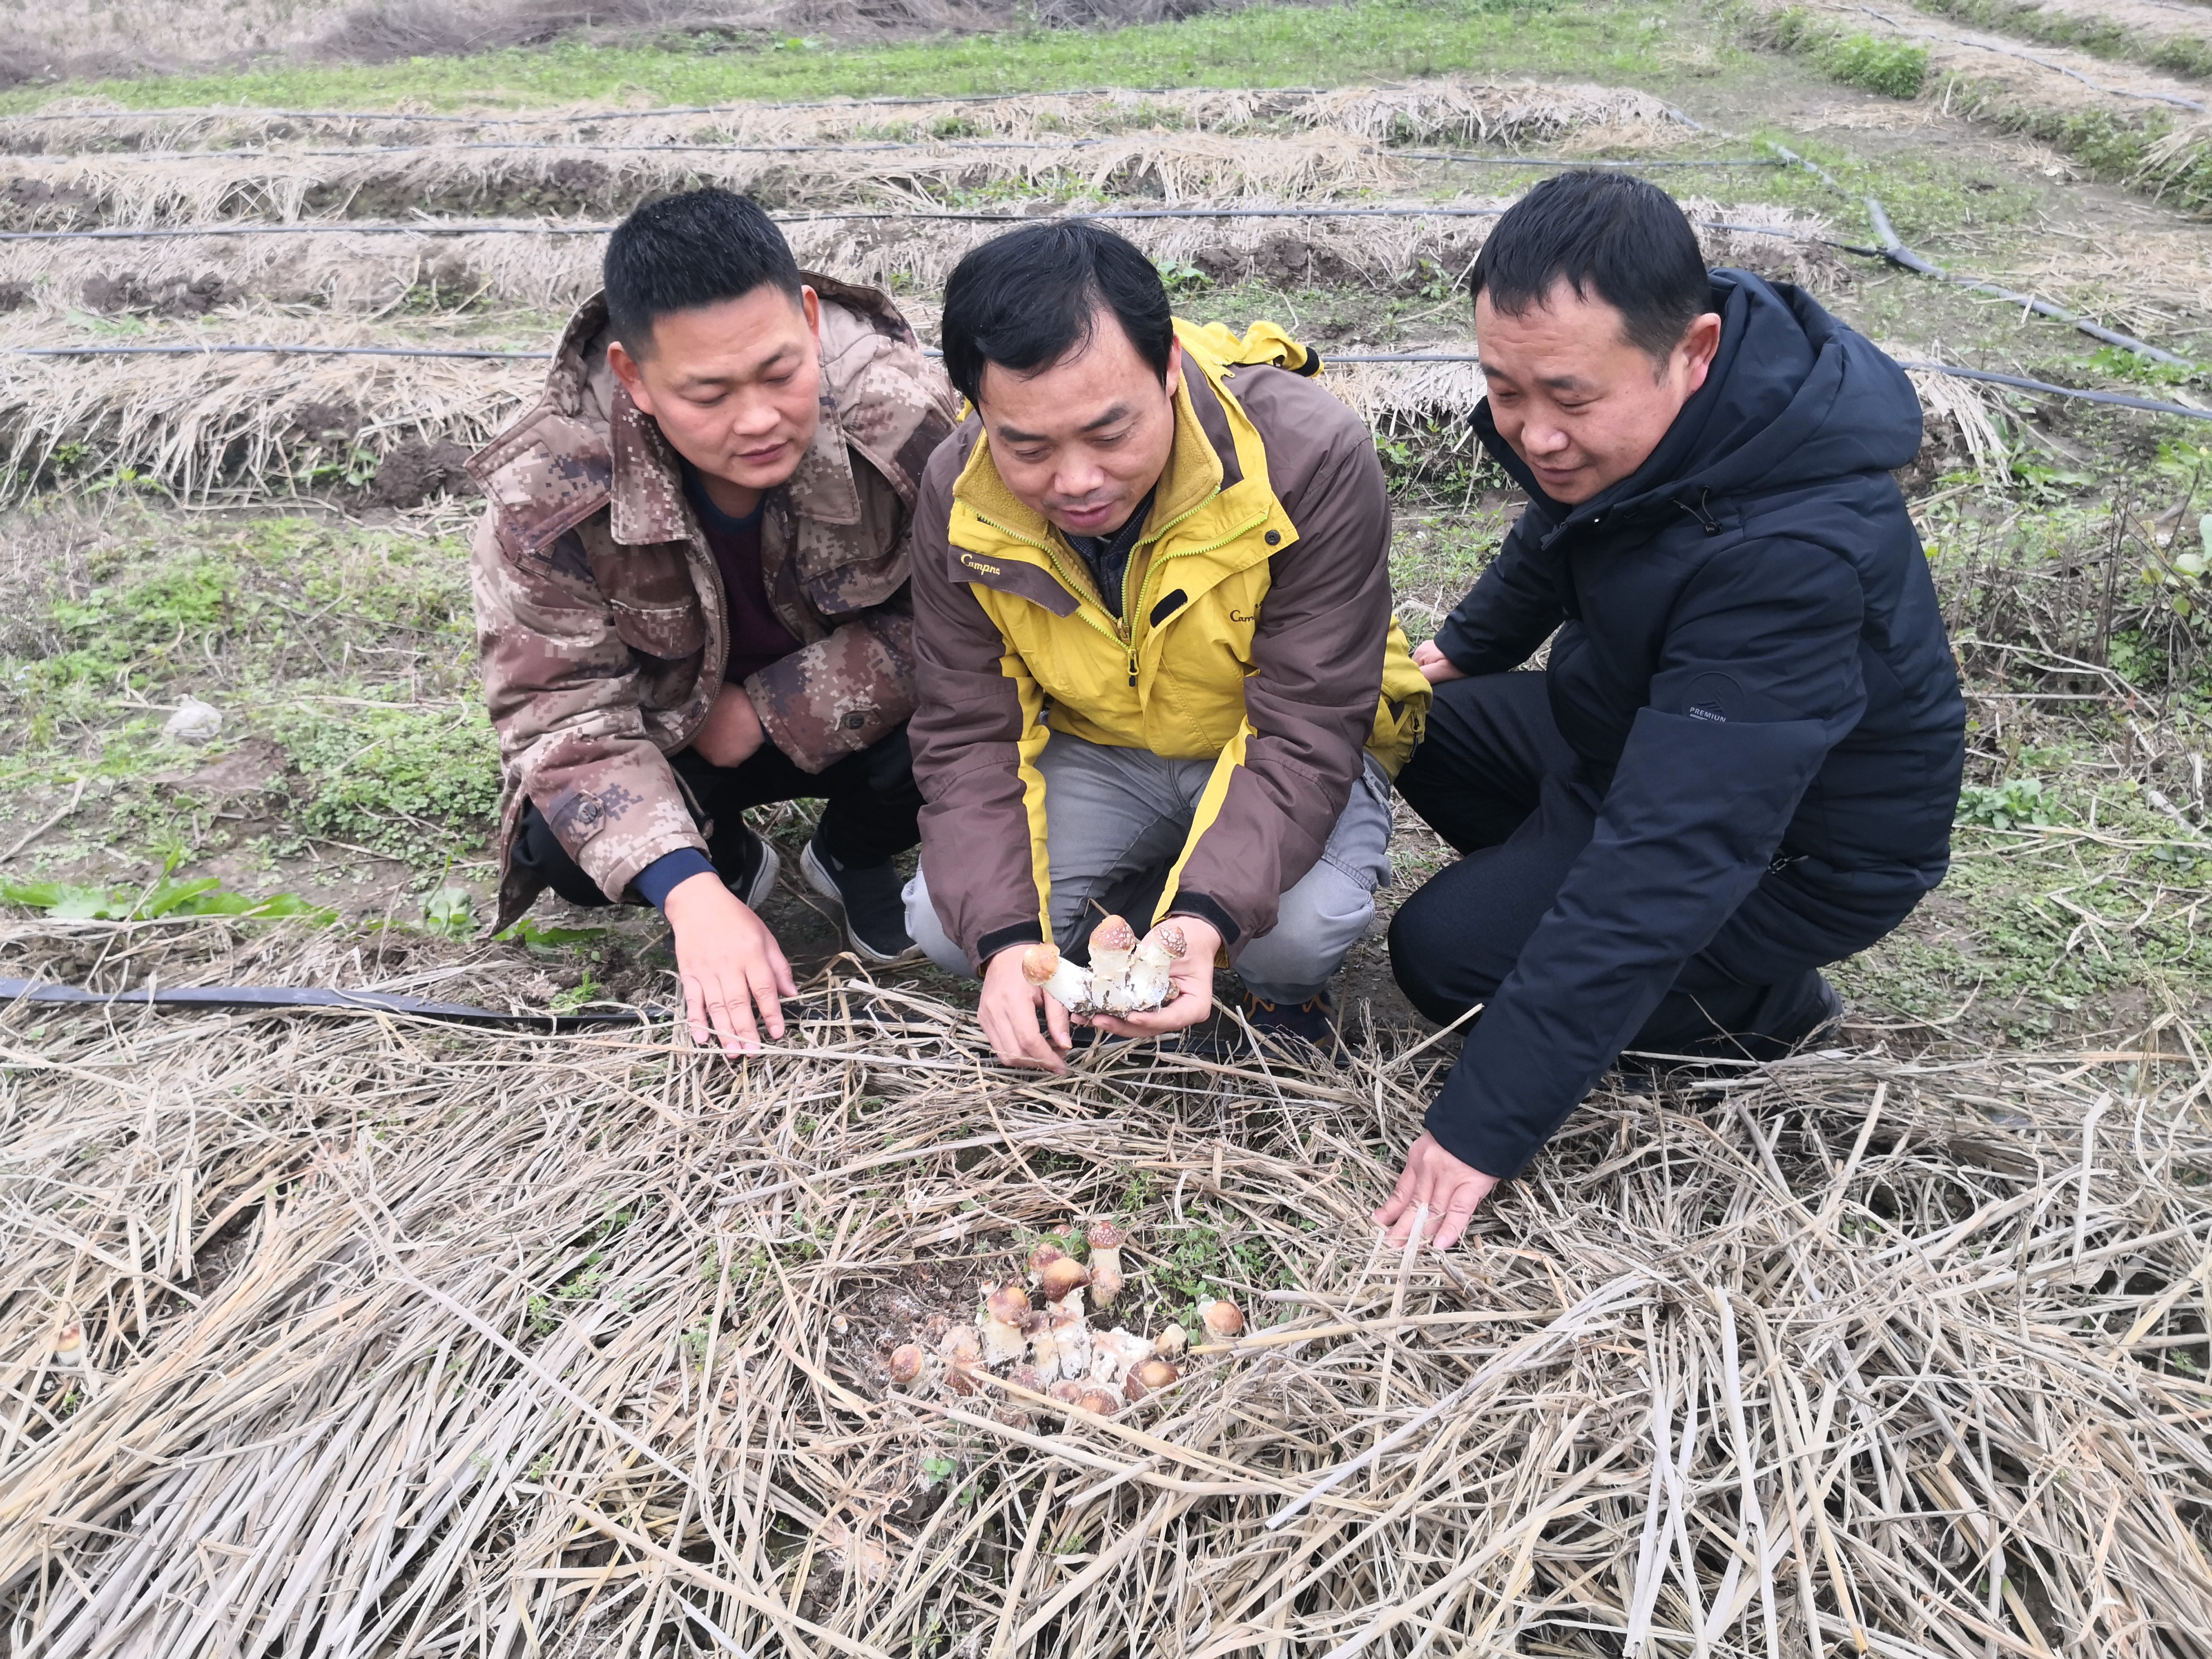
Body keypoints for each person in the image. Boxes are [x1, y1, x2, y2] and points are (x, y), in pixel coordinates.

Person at [1377, 172, 1965, 1250]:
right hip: (1640, 734)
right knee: (1410, 719)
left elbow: (1672, 852)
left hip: (1800, 845)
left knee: (1445, 956)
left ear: (1692, 352)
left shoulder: (1792, 555)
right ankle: (1555, 889)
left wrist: (1483, 1126)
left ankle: (1763, 1007)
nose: (1536, 434)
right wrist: (1469, 647)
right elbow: (1562, 523)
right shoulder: (1657, 401)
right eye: (1505, 391)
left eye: (1569, 400)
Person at [899, 220, 1432, 1070]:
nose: (1077, 481)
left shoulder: (1309, 456)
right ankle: (1156, 906)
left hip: (1270, 738)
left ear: (1170, 369)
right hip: (1104, 746)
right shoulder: (960, 491)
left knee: (1294, 938)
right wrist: (1004, 940)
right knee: (947, 924)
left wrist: (1205, 917)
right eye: (1026, 447)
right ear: (977, 409)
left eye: (1111, 434)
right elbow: (969, 729)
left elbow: (1309, 721)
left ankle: (1268, 980)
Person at [467, 187, 956, 1053]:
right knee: (561, 839)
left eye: (779, 373)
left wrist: (774, 709)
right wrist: (689, 892)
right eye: (709, 394)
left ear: (810, 320)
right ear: (634, 377)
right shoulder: (548, 490)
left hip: (861, 730)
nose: (758, 419)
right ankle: (723, 862)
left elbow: (969, 618)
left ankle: (852, 851)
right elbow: (559, 717)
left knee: (963, 715)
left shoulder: (905, 417)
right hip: (678, 737)